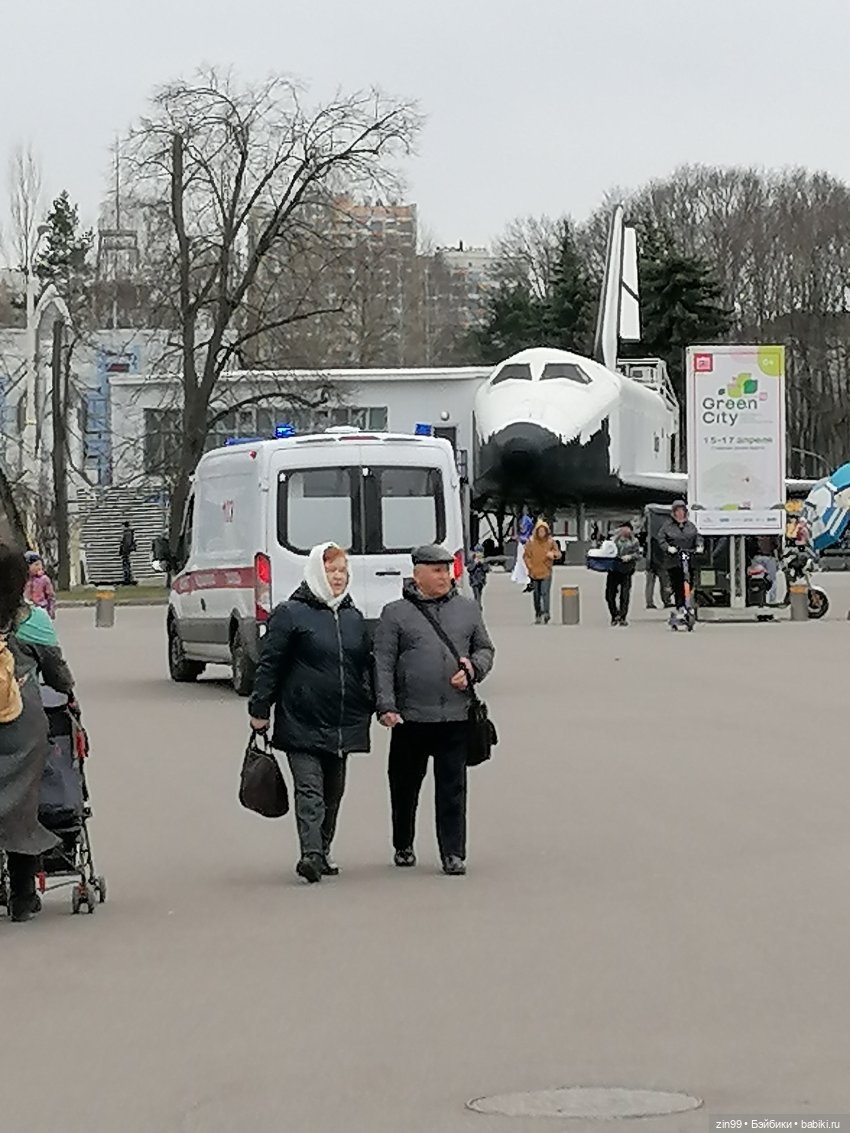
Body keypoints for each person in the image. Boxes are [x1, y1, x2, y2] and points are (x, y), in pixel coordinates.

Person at [248, 543, 373, 884]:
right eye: (331, 570)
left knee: (334, 792)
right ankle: (311, 855)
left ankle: (324, 848)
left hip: (342, 721)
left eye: (343, 571)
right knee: (310, 791)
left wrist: (377, 702)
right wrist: (260, 708)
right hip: (301, 718)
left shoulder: (353, 617)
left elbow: (364, 666)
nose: (338, 577)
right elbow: (270, 665)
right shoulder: (290, 614)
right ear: (317, 571)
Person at [374, 544, 495, 877]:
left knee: (453, 789)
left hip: (454, 716)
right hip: (410, 717)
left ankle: (453, 852)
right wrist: (385, 705)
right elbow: (383, 662)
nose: (445, 577)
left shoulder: (467, 609)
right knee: (404, 787)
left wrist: (473, 669)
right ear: (418, 574)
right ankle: (403, 843)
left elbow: (485, 649)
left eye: (448, 570)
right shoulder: (395, 613)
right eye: (437, 571)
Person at [0, 544, 71, 922]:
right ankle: (23, 897)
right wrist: (69, 694)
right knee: (21, 805)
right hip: (22, 726)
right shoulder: (33, 620)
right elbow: (58, 674)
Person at [657, 500, 701, 613]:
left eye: (682, 511)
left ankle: (688, 602)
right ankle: (680, 605)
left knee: (689, 580)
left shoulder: (690, 526)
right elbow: (661, 539)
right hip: (674, 559)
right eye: (678, 511)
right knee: (677, 583)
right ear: (674, 512)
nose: (680, 513)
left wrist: (699, 546)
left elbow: (697, 537)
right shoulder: (667, 526)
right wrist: (668, 548)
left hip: (689, 556)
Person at [523, 518, 559, 624]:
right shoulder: (531, 542)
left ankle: (546, 613)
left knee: (545, 593)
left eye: (543, 531)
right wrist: (530, 567)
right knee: (536, 595)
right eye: (540, 531)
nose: (542, 533)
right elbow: (526, 556)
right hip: (534, 572)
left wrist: (553, 555)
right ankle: (538, 613)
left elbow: (558, 553)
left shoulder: (550, 542)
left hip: (546, 572)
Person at [605, 521, 641, 626]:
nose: (625, 530)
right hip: (613, 569)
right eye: (623, 528)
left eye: (627, 529)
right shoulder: (612, 541)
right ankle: (614, 614)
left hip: (627, 570)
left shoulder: (634, 542)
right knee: (609, 594)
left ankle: (622, 616)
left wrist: (630, 556)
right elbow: (605, 551)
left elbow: (638, 554)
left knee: (624, 594)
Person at [24, 552, 56, 619]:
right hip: (27, 609)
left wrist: (51, 610)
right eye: (36, 564)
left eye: (40, 564)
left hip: (41, 608)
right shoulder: (24, 579)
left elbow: (50, 596)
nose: (39, 567)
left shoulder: (44, 579)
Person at [119, 521, 136, 586]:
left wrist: (124, 551)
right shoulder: (129, 533)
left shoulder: (127, 533)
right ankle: (128, 579)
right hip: (126, 551)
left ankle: (127, 580)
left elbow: (127, 543)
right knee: (127, 565)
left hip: (126, 551)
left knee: (126, 565)